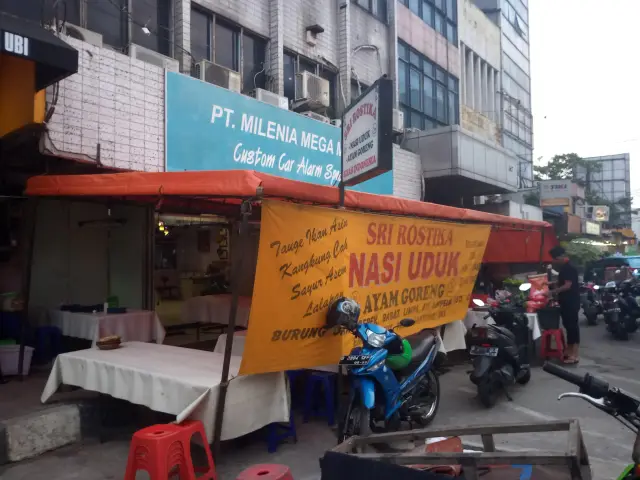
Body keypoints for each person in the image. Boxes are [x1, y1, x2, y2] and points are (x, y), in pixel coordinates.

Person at [546, 246, 581, 364]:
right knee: (568, 326)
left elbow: (567, 285)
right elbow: (563, 281)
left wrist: (552, 292)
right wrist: (552, 283)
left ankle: (574, 355)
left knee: (572, 328)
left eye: (555, 259)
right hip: (566, 302)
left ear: (561, 257)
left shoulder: (568, 268)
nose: (555, 261)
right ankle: (569, 351)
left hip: (571, 301)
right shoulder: (565, 268)